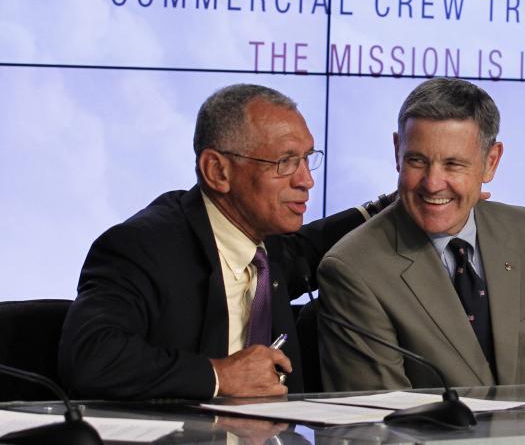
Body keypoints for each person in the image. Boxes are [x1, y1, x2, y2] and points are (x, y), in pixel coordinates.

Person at [58, 84, 394, 400]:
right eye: (286, 162)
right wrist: (219, 375)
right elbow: (91, 356)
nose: (306, 180)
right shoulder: (142, 247)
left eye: (307, 158)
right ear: (217, 171)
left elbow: (312, 245)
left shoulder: (265, 243)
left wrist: (396, 204)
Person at [317, 77, 525, 391]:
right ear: (397, 152)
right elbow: (383, 415)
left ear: (491, 162)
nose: (433, 183)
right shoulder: (354, 269)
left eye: (453, 164)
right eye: (417, 161)